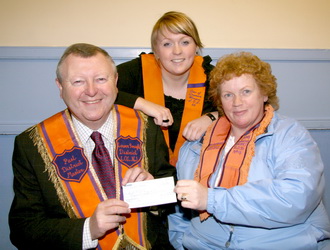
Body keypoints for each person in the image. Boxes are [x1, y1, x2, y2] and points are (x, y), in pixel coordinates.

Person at [9, 43, 176, 250]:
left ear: (115, 81)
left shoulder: (146, 127)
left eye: (101, 79)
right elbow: (23, 229)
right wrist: (89, 229)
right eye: (78, 81)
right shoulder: (32, 145)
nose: (91, 91)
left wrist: (152, 192)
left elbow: (170, 191)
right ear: (60, 87)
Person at [168, 51, 330, 249]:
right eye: (228, 94)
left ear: (264, 93)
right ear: (219, 100)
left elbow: (296, 197)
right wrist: (180, 242)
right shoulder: (196, 144)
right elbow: (179, 205)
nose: (237, 102)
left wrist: (211, 199)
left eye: (246, 91)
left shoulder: (289, 135)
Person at [115, 11, 217, 165]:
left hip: (196, 173)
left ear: (196, 46)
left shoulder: (210, 76)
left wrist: (211, 117)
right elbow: (98, 93)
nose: (177, 51)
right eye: (167, 44)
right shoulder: (136, 72)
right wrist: (143, 104)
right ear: (155, 50)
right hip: (143, 173)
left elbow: (245, 106)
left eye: (185, 42)